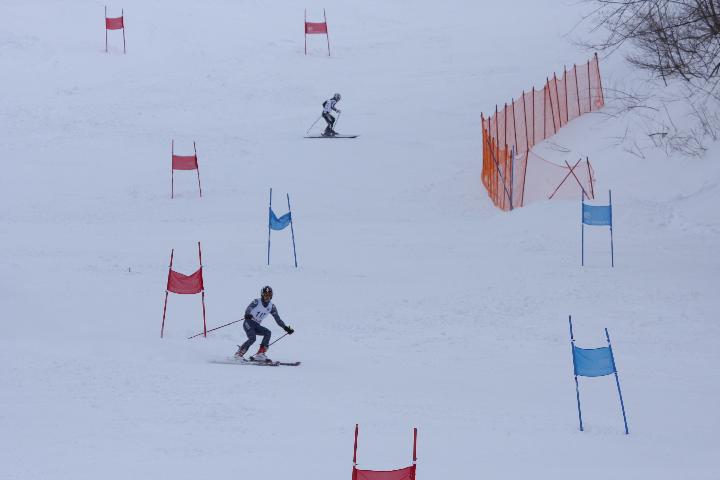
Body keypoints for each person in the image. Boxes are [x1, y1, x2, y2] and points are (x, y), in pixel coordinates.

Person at [235, 286, 294, 362]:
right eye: (265, 295)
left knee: (268, 332)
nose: (267, 297)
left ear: (271, 296)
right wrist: (247, 314)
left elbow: (277, 319)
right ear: (262, 295)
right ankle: (238, 354)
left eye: (269, 295)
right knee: (252, 338)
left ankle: (260, 354)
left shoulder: (272, 306)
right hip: (248, 322)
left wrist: (285, 328)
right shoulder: (256, 301)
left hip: (257, 325)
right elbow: (249, 308)